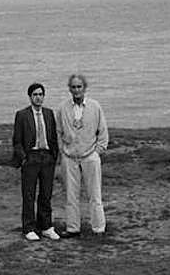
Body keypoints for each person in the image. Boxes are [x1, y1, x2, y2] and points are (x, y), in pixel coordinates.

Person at [55, 72, 109, 235]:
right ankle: (73, 228)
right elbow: (58, 132)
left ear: (84, 88)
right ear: (69, 89)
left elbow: (103, 132)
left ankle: (98, 228)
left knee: (95, 194)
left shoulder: (95, 106)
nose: (76, 90)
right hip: (69, 158)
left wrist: (97, 152)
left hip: (90, 156)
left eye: (79, 87)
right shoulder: (63, 108)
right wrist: (63, 152)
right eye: (73, 87)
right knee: (71, 195)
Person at [11, 82, 61, 241]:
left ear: (44, 96)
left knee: (46, 194)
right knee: (29, 194)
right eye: (35, 95)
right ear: (30, 96)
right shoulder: (22, 115)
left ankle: (46, 226)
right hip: (31, 157)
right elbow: (17, 141)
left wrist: (54, 155)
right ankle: (29, 227)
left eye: (41, 94)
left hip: (47, 157)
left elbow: (53, 137)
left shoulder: (49, 113)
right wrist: (24, 158)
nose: (38, 97)